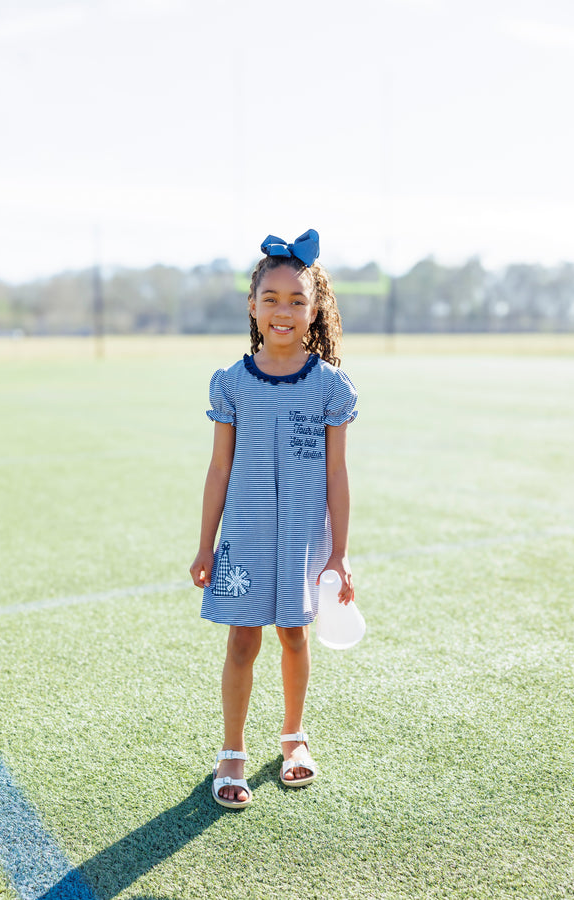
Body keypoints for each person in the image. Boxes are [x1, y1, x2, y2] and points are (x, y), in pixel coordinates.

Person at [189, 229, 358, 809]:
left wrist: (338, 553)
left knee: (293, 635)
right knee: (242, 642)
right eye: (271, 299)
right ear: (253, 307)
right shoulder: (230, 383)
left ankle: (293, 739)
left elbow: (337, 475)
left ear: (315, 310)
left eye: (296, 300)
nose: (282, 310)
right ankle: (231, 751)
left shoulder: (331, 387)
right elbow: (218, 469)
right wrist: (205, 544)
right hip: (243, 539)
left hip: (306, 541)